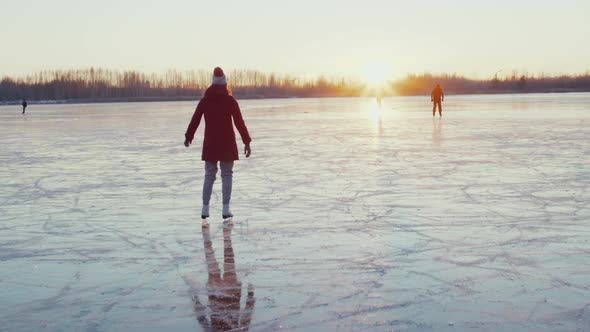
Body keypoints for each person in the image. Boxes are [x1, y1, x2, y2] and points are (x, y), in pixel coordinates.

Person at [184, 67, 252, 220]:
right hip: (227, 143)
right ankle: (226, 209)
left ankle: (205, 208)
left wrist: (189, 136)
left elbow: (195, 119)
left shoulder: (205, 100)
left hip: (211, 143)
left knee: (209, 174)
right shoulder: (229, 100)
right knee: (227, 174)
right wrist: (246, 141)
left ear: (212, 82)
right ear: (225, 83)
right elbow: (239, 122)